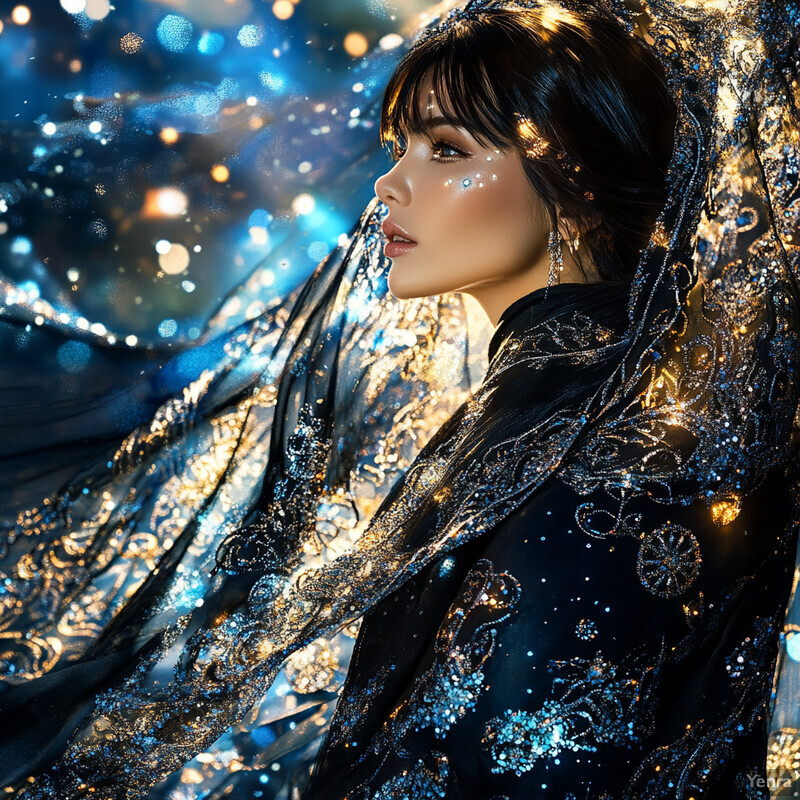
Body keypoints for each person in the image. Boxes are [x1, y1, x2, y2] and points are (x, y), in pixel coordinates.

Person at [2, 1, 799, 799]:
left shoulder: (593, 453)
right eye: (402, 146)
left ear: (579, 182)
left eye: (446, 148)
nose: (390, 182)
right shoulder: (567, 408)